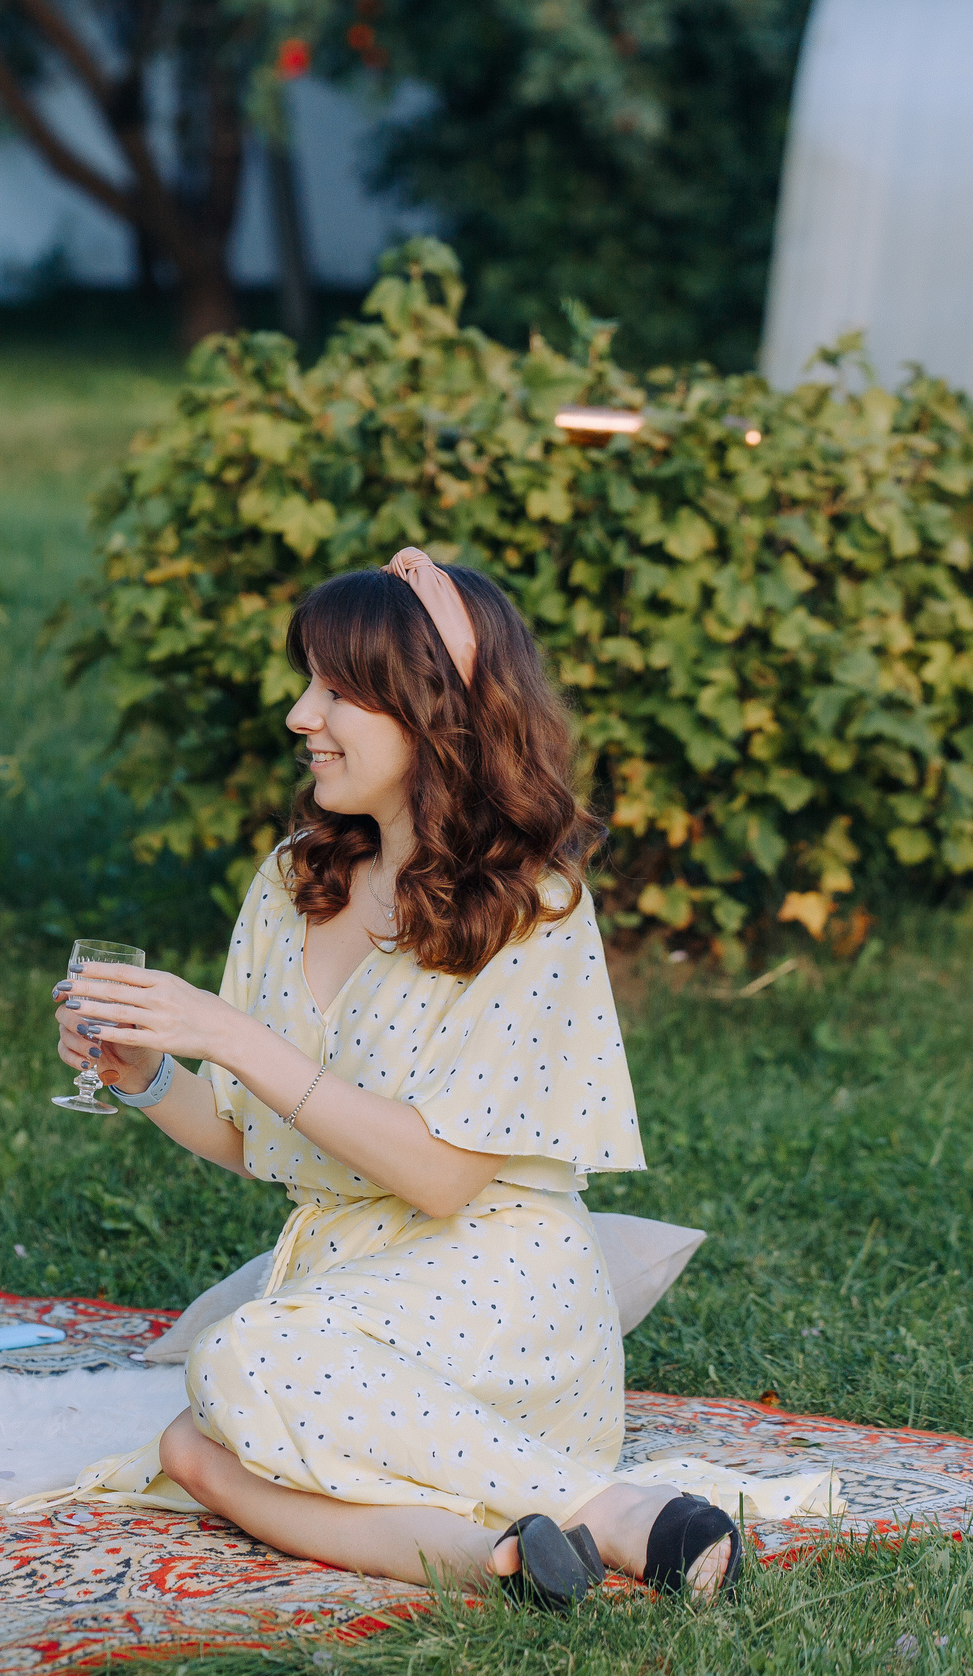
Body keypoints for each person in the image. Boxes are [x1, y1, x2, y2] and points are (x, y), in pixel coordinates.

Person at [50, 551, 745, 1605]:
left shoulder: (534, 908)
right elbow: (253, 1138)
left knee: (236, 1378)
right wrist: (148, 1075)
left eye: (336, 691)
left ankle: (608, 1509)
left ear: (433, 715)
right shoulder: (295, 882)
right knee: (193, 1450)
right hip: (343, 1297)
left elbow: (440, 1180)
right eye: (307, 684)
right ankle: (503, 1561)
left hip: (501, 1290)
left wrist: (230, 1036)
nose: (299, 715)